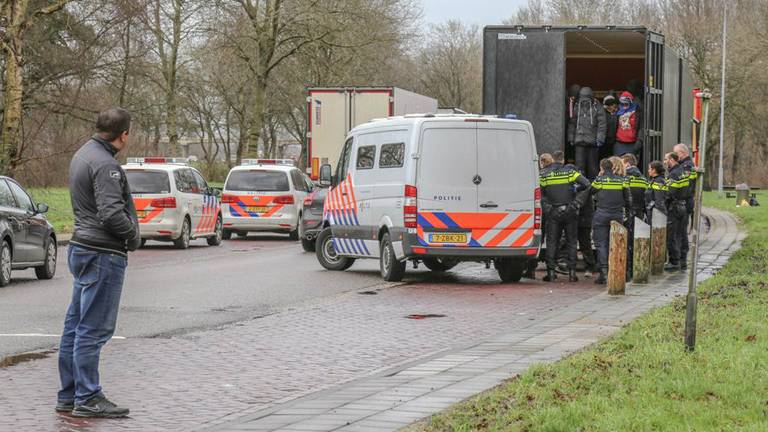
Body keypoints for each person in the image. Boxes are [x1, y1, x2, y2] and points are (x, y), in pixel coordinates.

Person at [58, 108, 140, 418]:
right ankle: (88, 396)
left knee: (75, 327)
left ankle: (69, 394)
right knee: (93, 329)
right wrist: (132, 235)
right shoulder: (107, 165)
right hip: (103, 253)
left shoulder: (82, 154)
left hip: (82, 246)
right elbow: (110, 214)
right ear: (124, 135)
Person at [539, 151, 591, 282]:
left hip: (553, 212)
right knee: (572, 241)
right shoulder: (570, 172)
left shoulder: (544, 174)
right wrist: (576, 202)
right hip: (570, 211)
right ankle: (572, 274)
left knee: (552, 242)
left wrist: (547, 208)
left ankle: (551, 273)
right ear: (562, 161)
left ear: (553, 160)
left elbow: (540, 193)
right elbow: (587, 185)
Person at [590, 157, 633, 284]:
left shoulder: (600, 180)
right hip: (617, 215)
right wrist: (629, 212)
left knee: (601, 243)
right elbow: (628, 198)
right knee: (618, 243)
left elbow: (591, 191)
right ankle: (622, 272)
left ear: (602, 168)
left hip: (601, 214)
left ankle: (604, 273)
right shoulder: (623, 180)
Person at [568, 86, 606, 180]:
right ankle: (581, 186)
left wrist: (600, 138)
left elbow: (602, 124)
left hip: (592, 142)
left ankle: (592, 187)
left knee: (592, 167)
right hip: (580, 141)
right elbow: (572, 123)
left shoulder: (597, 106)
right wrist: (571, 137)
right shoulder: (577, 106)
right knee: (580, 167)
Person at [621, 153, 648, 280]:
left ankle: (626, 272)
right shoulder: (643, 179)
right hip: (640, 213)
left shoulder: (625, 178)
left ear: (627, 164)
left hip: (628, 214)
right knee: (636, 242)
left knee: (626, 243)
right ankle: (635, 270)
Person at [664, 151, 691, 272]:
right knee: (682, 234)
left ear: (672, 160)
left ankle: (674, 261)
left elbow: (670, 193)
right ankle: (683, 259)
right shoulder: (683, 172)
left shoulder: (673, 174)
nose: (665, 162)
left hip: (674, 208)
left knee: (672, 235)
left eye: (666, 159)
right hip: (683, 205)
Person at [674, 143, 696, 259]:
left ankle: (682, 256)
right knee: (680, 230)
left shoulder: (687, 166)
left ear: (683, 153)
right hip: (687, 200)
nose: (675, 156)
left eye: (676, 153)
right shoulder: (685, 165)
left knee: (681, 230)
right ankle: (681, 255)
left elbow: (687, 186)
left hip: (686, 201)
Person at [614, 91, 643, 158]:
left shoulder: (637, 112)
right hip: (619, 143)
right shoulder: (617, 111)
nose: (624, 106)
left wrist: (639, 141)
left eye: (626, 104)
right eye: (622, 104)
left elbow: (641, 127)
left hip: (632, 143)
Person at [645, 160, 668, 224]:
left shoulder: (659, 181)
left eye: (649, 169)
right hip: (652, 212)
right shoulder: (655, 180)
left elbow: (659, 200)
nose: (648, 170)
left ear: (654, 170)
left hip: (656, 214)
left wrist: (657, 216)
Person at [602, 95, 619, 160]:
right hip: (604, 140)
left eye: (613, 105)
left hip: (614, 140)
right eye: (611, 105)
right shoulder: (602, 113)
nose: (613, 106)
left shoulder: (617, 113)